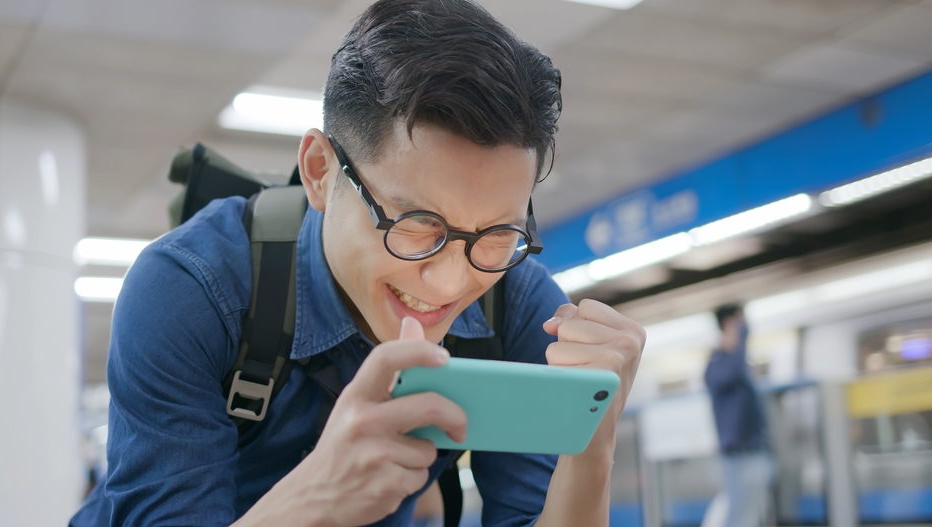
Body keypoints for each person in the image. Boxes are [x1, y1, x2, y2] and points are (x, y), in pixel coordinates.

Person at [69, 1, 645, 526]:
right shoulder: (190, 290)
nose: (451, 280)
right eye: (416, 224)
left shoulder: (518, 307)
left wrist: (590, 443)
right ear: (321, 171)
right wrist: (316, 496)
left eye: (497, 233)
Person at [702, 305, 774, 527]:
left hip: (754, 451)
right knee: (737, 516)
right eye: (740, 325)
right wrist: (739, 337)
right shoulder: (717, 366)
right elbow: (735, 370)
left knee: (749, 516)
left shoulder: (735, 366)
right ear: (728, 326)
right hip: (737, 455)